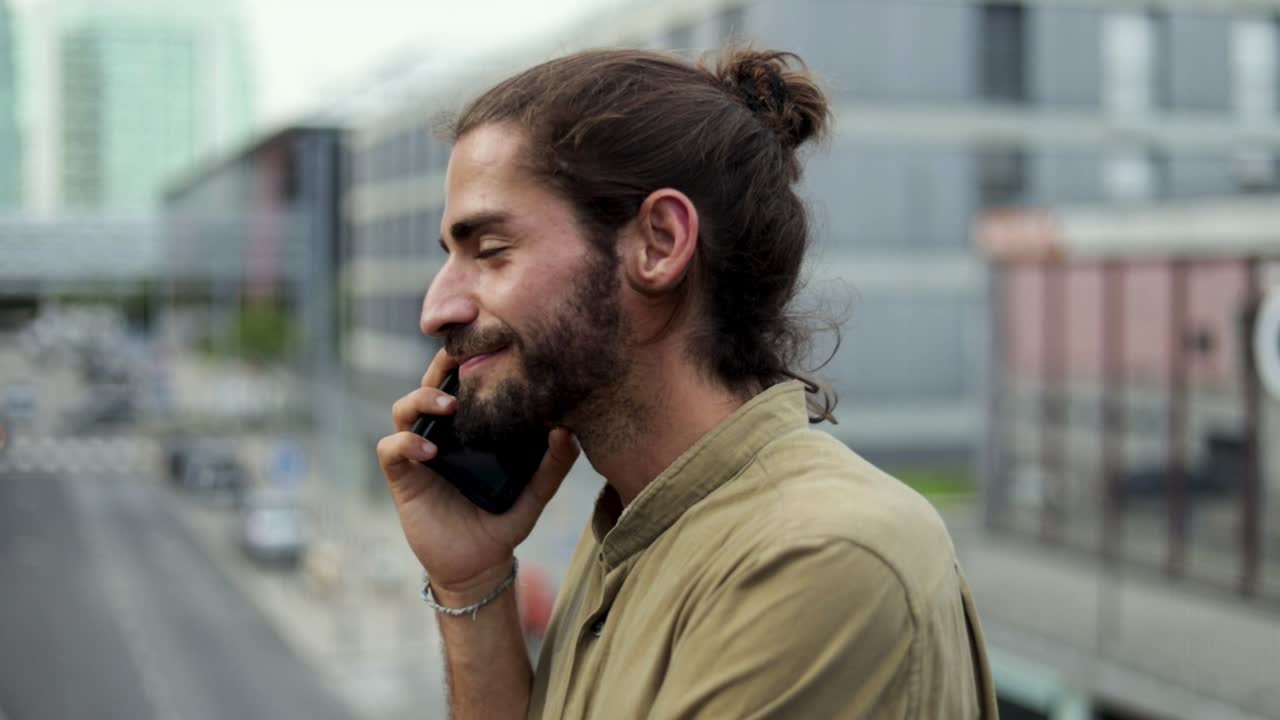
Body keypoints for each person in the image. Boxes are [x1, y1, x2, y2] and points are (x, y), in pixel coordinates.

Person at [376, 44, 998, 719]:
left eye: (490, 251)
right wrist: (469, 580)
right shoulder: (633, 524)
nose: (436, 309)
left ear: (661, 243)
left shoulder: (818, 556)